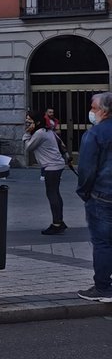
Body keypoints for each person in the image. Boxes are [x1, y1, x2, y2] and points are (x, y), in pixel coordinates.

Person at [76, 92, 112, 302]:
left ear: (103, 110)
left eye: (93, 107)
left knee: (103, 243)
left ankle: (103, 287)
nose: (91, 111)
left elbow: (87, 169)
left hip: (102, 195)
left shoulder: (95, 135)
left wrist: (85, 192)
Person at [24, 111, 68, 235]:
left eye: (29, 121)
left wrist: (27, 133)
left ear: (37, 122)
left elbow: (28, 147)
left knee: (52, 194)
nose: (27, 123)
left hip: (51, 167)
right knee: (55, 193)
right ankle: (59, 220)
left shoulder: (39, 133)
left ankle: (57, 224)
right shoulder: (47, 131)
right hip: (55, 165)